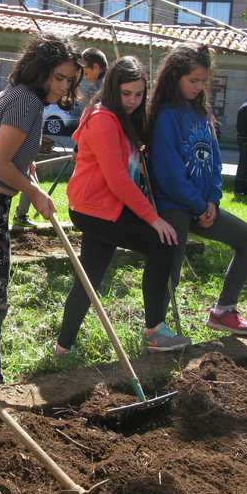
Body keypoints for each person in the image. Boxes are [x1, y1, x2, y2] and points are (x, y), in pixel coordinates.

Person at [0, 33, 82, 382]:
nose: (64, 87)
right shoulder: (27, 103)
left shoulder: (17, 94)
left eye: (70, 81)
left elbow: (4, 153)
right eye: (59, 77)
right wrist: (33, 191)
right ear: (40, 70)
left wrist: (25, 165)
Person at [55, 56, 185, 355]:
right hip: (96, 209)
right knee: (164, 244)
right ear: (114, 88)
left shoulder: (120, 118)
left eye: (139, 94)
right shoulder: (103, 119)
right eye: (126, 94)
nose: (133, 100)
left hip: (98, 207)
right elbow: (118, 180)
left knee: (89, 277)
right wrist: (153, 219)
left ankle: (63, 347)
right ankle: (154, 331)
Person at [147, 43, 247, 336]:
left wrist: (212, 199)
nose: (199, 87)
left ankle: (224, 312)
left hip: (203, 206)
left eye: (203, 82)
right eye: (193, 81)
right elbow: (169, 172)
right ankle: (156, 329)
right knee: (169, 269)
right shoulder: (165, 115)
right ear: (175, 77)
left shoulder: (201, 113)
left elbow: (213, 161)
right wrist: (198, 205)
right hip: (173, 205)